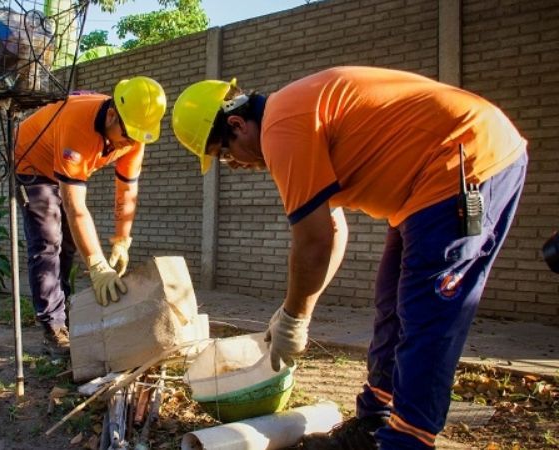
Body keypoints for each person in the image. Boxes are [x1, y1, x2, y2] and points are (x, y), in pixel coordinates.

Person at [171, 66, 527, 449]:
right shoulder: (292, 118)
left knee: (426, 318)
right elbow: (333, 231)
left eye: (224, 155)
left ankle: (405, 442)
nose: (235, 165)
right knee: (391, 305)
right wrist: (290, 313)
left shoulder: (281, 130)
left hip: (464, 162)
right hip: (421, 191)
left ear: (238, 124)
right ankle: (375, 423)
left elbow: (314, 242)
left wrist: (295, 319)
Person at [14, 76, 166, 356]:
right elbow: (75, 207)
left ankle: (65, 310)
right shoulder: (77, 125)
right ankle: (52, 325)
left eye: (136, 137)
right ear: (111, 115)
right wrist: (97, 266)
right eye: (128, 135)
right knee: (48, 241)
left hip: (60, 162)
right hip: (32, 161)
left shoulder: (134, 135)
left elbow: (127, 191)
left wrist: (122, 239)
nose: (129, 143)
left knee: (70, 245)